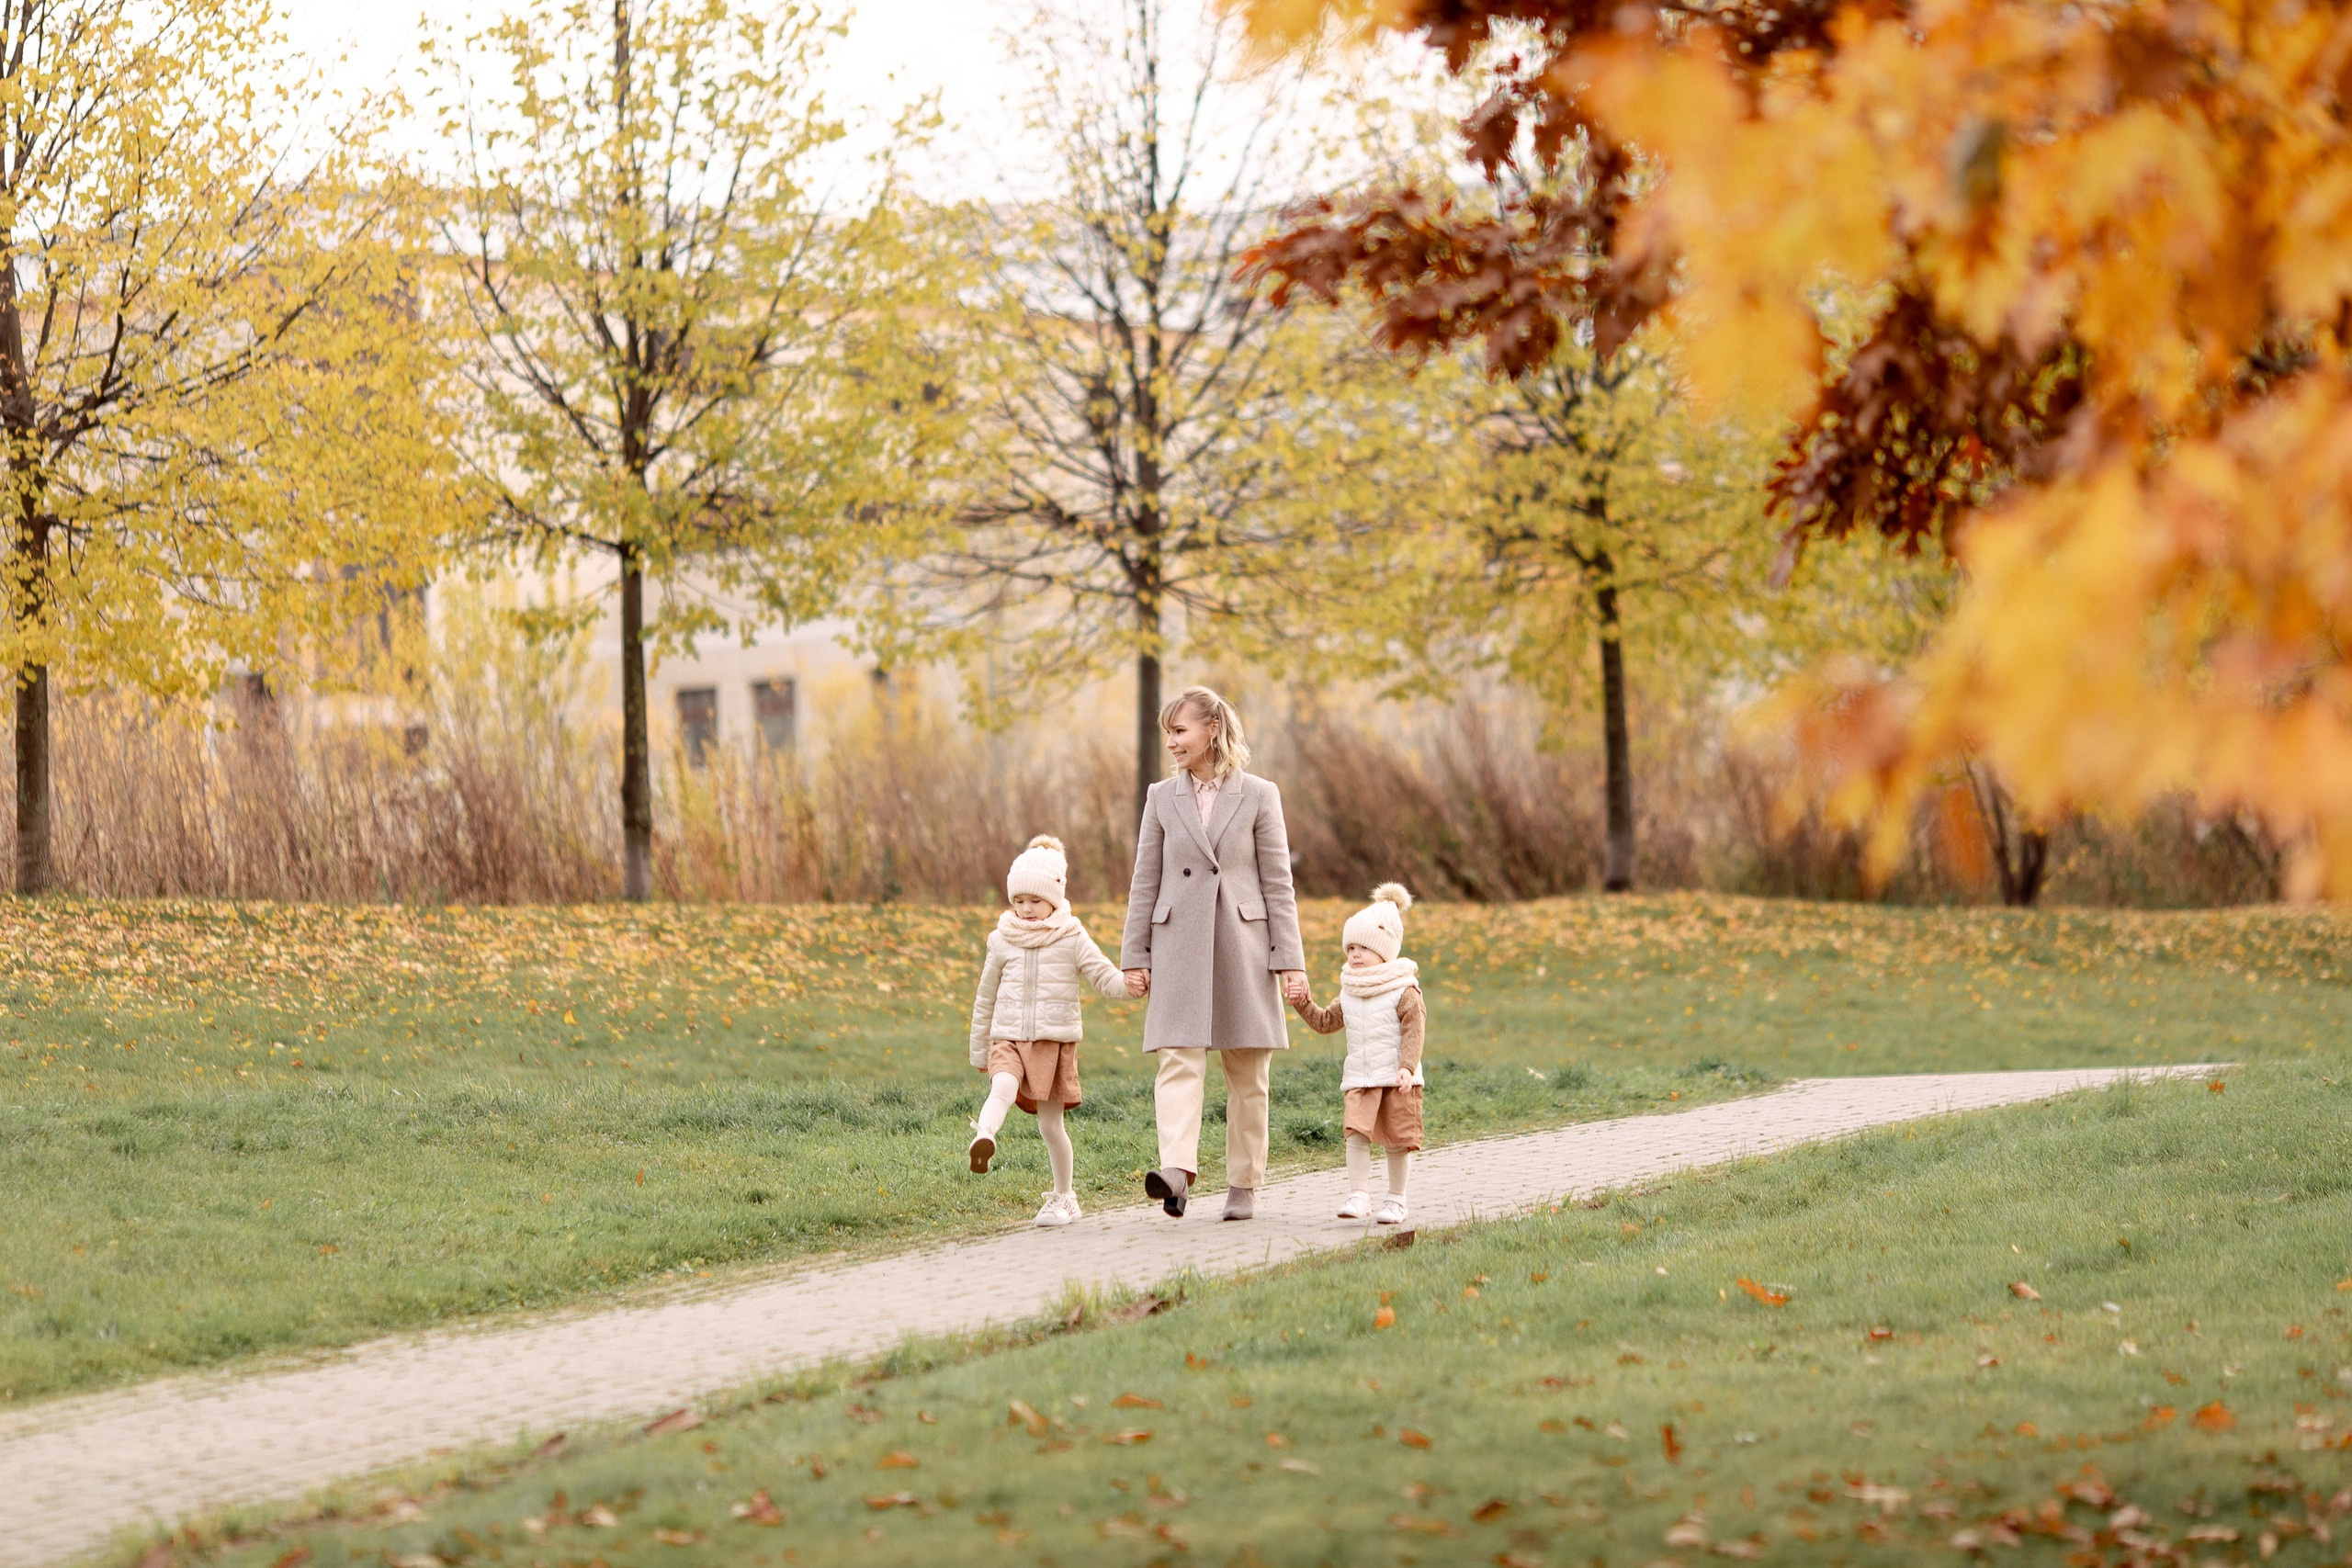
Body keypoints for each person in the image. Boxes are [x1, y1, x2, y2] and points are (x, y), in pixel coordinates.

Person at [1120, 686, 1307, 1221]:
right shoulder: (1161, 797)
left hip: (1242, 945)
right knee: (1177, 1059)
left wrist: (1290, 962)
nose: (1172, 743)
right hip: (1177, 943)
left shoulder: (1259, 794)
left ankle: (1243, 1184)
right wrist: (1135, 954)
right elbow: (1144, 880)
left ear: (1213, 730)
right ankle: (1177, 1172)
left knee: (1247, 1071)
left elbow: (1278, 884)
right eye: (1168, 733)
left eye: (1180, 731)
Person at [967, 834, 1138, 1228]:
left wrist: (1130, 986)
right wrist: (979, 1050)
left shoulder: (1071, 936)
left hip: (1051, 1042)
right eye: (1018, 900)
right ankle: (985, 1135)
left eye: (1035, 900)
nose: (1026, 909)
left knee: (1050, 1127)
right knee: (1002, 1087)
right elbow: (985, 997)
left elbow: (1102, 975)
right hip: (1008, 1038)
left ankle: (1065, 1197)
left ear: (1054, 898)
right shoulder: (1001, 939)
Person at [1290, 883, 1423, 1226]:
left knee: (1397, 1141)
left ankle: (1396, 1199)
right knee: (1356, 1135)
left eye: (1364, 947)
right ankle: (1359, 1195)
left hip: (1397, 1079)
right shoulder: (1350, 990)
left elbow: (1414, 1030)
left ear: (1384, 951)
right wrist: (1303, 1003)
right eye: (1350, 948)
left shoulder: (1403, 989)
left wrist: (1407, 1068)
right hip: (1361, 1078)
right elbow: (1325, 1022)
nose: (1355, 955)